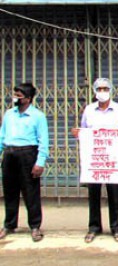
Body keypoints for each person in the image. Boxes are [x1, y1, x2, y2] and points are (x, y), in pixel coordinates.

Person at [72, 78, 118, 243]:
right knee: (94, 195)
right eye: (100, 89)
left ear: (110, 90)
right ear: (95, 91)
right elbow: (83, 130)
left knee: (115, 195)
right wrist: (78, 133)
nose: (102, 91)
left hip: (112, 161)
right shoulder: (89, 110)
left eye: (105, 88)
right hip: (94, 161)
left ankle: (116, 227)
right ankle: (94, 227)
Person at [0, 83, 49, 242]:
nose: (15, 98)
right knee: (10, 191)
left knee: (31, 192)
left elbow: (43, 140)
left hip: (28, 154)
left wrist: (40, 162)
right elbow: (2, 136)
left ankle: (35, 226)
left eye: (19, 96)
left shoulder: (38, 116)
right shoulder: (9, 114)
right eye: (15, 95)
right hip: (10, 153)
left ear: (28, 99)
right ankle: (9, 224)